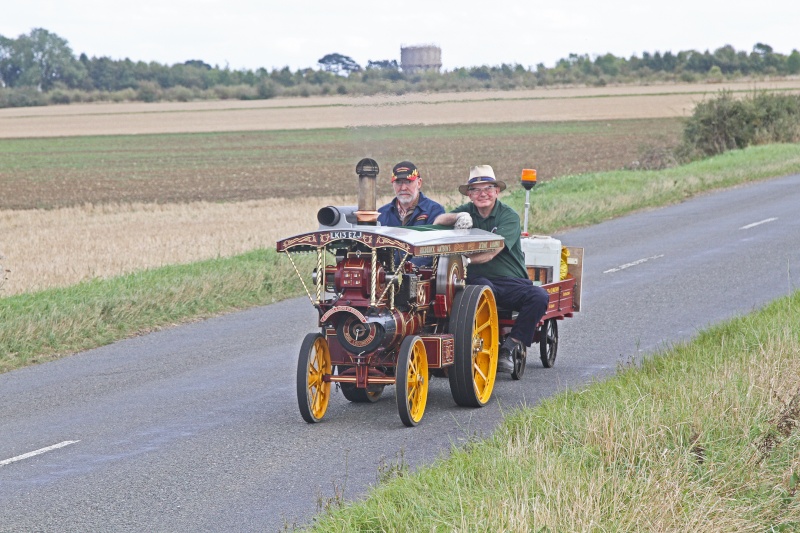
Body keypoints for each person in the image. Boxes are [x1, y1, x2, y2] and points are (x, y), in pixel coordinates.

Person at [433, 164, 549, 373]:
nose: (482, 194)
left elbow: (493, 250)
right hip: (478, 280)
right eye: (476, 189)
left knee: (539, 296)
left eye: (488, 188)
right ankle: (472, 346)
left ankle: (510, 345)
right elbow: (438, 221)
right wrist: (457, 218)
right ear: (469, 194)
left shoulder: (509, 216)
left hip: (510, 281)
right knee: (483, 289)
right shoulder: (467, 211)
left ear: (496, 191)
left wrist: (465, 261)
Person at [378, 161, 445, 267]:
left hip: (421, 278)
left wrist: (409, 268)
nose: (403, 187)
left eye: (408, 182)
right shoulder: (381, 214)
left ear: (419, 183)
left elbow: (433, 249)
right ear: (393, 184)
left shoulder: (434, 211)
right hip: (386, 277)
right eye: (399, 182)